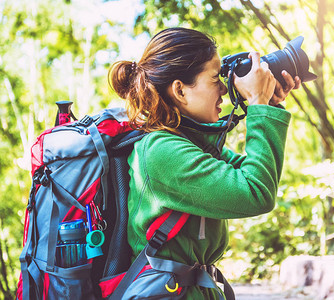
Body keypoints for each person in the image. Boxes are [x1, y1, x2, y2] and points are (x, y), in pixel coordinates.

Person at [108, 27, 301, 299]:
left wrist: (267, 104)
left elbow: (253, 172)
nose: (224, 87)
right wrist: (258, 103)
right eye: (214, 78)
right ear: (180, 91)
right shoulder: (161, 151)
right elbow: (256, 192)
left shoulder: (190, 142)